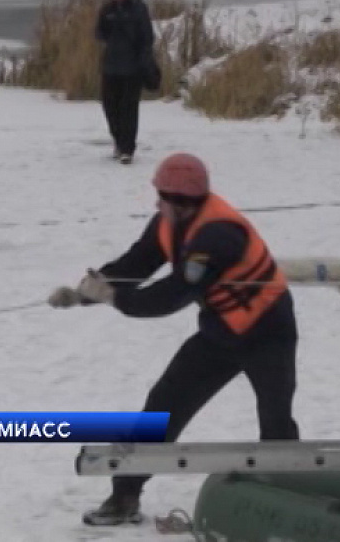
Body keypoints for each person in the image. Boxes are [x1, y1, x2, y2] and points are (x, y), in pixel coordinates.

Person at [48, 153, 300, 525]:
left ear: (179, 200)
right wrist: (88, 290)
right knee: (164, 405)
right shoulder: (168, 221)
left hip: (268, 332)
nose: (156, 203)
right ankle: (125, 496)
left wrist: (114, 298)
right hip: (221, 331)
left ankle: (289, 499)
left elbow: (169, 296)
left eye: (161, 196)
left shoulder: (217, 235)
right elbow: (136, 264)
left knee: (276, 420)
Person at [96, 0, 158, 165]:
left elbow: (147, 37)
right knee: (109, 106)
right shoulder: (108, 8)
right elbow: (99, 33)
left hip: (133, 67)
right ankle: (118, 140)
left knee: (129, 108)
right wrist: (107, 25)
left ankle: (127, 149)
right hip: (111, 65)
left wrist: (143, 60)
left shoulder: (138, 8)